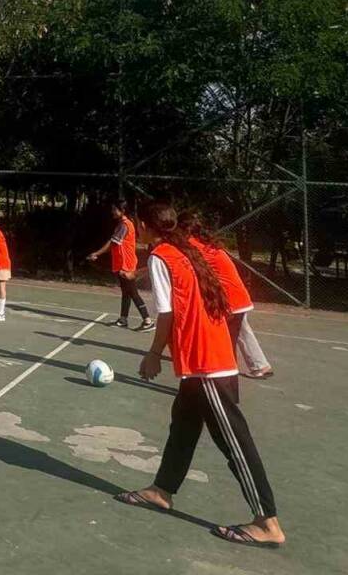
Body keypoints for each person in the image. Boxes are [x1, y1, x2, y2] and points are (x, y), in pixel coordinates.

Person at [115, 204, 284, 549]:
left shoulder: (163, 256)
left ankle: (267, 522)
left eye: (139, 224)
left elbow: (166, 313)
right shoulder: (184, 251)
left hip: (207, 362)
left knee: (234, 442)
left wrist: (152, 354)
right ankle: (161, 490)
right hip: (201, 361)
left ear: (147, 227)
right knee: (183, 424)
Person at [179, 212, 274, 379]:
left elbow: (181, 266)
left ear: (184, 230)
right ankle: (260, 365)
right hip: (238, 296)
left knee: (226, 341)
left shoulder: (193, 245)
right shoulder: (207, 243)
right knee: (243, 330)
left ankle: (226, 380)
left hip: (229, 299)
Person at [87, 199, 155, 331]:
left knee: (132, 292)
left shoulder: (125, 225)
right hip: (123, 262)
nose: (112, 212)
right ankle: (123, 319)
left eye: (115, 209)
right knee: (126, 292)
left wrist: (97, 253)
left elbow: (112, 243)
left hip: (126, 263)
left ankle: (147, 320)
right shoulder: (123, 224)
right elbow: (114, 243)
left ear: (122, 211)